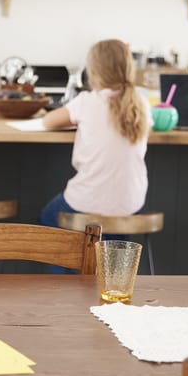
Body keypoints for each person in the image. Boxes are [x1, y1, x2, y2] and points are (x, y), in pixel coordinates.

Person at [38, 39, 152, 271]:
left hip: (85, 203)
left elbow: (48, 121)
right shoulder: (141, 103)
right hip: (129, 207)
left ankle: (61, 290)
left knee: (48, 219)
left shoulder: (86, 101)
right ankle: (107, 280)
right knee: (106, 236)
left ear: (93, 73)